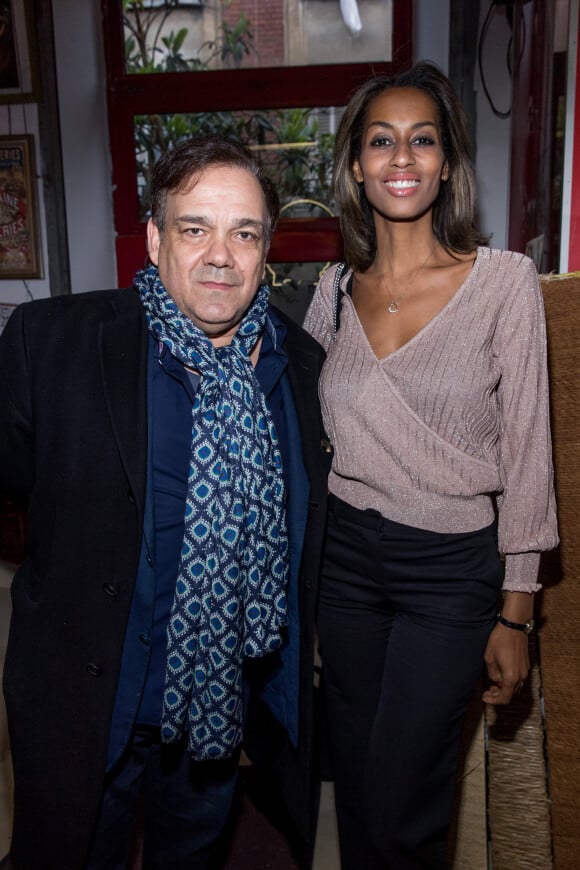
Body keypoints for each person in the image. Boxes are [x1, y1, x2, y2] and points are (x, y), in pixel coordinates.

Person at [0, 137, 330, 870]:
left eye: (243, 233)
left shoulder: (298, 370)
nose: (221, 255)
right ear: (154, 239)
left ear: (266, 249)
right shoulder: (54, 344)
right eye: (194, 228)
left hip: (219, 721)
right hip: (90, 706)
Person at [303, 61, 558, 870]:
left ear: (446, 162)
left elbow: (528, 451)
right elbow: (307, 442)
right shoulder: (331, 291)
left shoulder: (503, 283)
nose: (401, 158)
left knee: (407, 799)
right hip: (344, 568)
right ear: (355, 165)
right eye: (382, 141)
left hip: (449, 573)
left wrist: (517, 613)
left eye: (422, 140)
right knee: (361, 795)